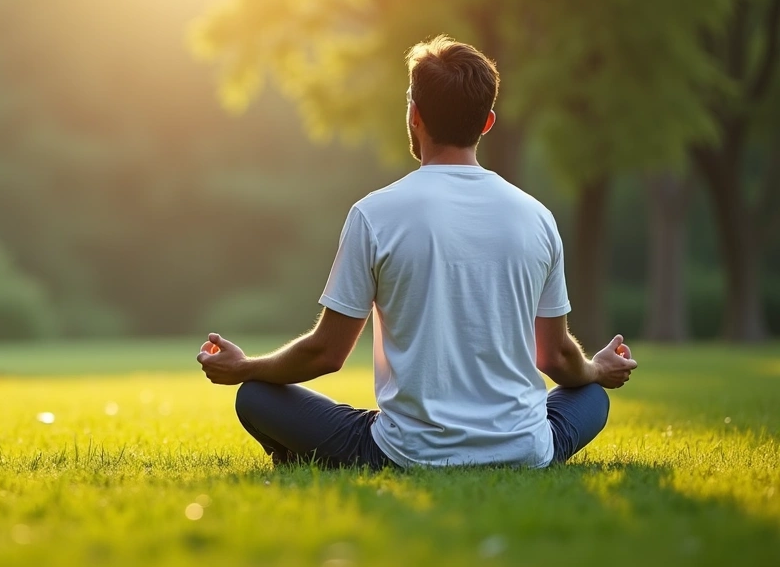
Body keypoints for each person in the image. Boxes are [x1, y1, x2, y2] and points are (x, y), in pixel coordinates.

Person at [195, 35, 639, 469]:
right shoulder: (537, 217)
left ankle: (307, 457)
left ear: (414, 116)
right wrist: (597, 370)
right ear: (487, 122)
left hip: (407, 453)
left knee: (255, 395)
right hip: (524, 448)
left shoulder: (374, 214)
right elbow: (557, 358)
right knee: (590, 395)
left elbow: (325, 354)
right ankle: (520, 441)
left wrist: (245, 367)